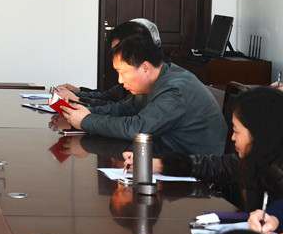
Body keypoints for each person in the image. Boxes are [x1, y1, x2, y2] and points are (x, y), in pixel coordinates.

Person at [61, 33, 226, 155]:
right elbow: (123, 109)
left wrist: (87, 121)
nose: (120, 80)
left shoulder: (174, 90)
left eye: (123, 72)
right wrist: (82, 111)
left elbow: (137, 129)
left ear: (145, 68)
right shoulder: (158, 79)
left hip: (194, 174)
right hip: (167, 157)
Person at [125, 87, 283, 212]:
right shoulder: (253, 160)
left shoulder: (277, 173)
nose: (233, 138)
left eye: (236, 131)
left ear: (259, 134)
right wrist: (158, 164)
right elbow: (214, 165)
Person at [56, 19, 161, 107]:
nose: (120, 80)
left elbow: (120, 111)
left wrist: (78, 99)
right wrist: (77, 92)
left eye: (119, 50)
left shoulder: (152, 82)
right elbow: (109, 96)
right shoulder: (131, 76)